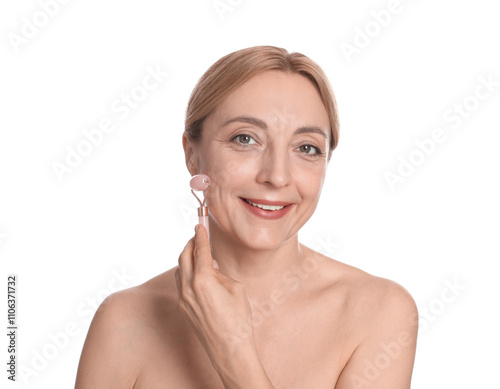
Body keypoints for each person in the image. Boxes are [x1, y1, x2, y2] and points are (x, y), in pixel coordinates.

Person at [75, 45, 418, 389]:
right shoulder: (123, 322)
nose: (278, 175)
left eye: (306, 148)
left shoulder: (379, 313)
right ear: (192, 156)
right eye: (245, 139)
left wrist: (232, 349)